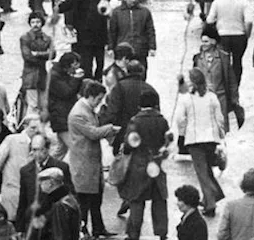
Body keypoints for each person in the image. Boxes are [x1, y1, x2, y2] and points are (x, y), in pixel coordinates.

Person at [66, 80, 118, 237]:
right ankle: (82, 230)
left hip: (91, 162)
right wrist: (111, 129)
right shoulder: (78, 114)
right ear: (90, 96)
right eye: (98, 98)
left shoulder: (87, 109)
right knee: (84, 201)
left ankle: (98, 228)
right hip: (83, 163)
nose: (99, 102)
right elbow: (93, 133)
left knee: (96, 199)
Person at [174, 68, 226, 217]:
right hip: (211, 138)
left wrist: (183, 133)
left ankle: (210, 204)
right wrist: (220, 133)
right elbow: (219, 117)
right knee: (207, 169)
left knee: (201, 172)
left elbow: (180, 119)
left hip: (194, 139)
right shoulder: (211, 96)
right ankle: (214, 194)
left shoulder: (186, 98)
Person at [119, 89, 169, 240]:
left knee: (136, 200)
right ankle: (162, 233)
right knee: (159, 199)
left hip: (139, 165)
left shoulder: (135, 121)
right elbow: (166, 142)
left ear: (140, 104)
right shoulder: (162, 120)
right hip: (156, 164)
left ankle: (133, 234)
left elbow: (129, 145)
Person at [16, 133, 73, 232]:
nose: (37, 154)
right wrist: (20, 229)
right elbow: (23, 201)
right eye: (34, 150)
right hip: (34, 224)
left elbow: (70, 196)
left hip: (55, 223)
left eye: (41, 149)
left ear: (47, 149)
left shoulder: (61, 167)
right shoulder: (25, 171)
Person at [63, 0, 110, 80]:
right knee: (88, 57)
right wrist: (69, 23)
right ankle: (91, 78)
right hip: (87, 27)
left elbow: (105, 2)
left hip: (92, 27)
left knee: (95, 57)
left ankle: (94, 78)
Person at [30, 167, 80, 240]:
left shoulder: (60, 205)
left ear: (50, 182)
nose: (40, 184)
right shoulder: (68, 199)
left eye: (42, 181)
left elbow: (60, 235)